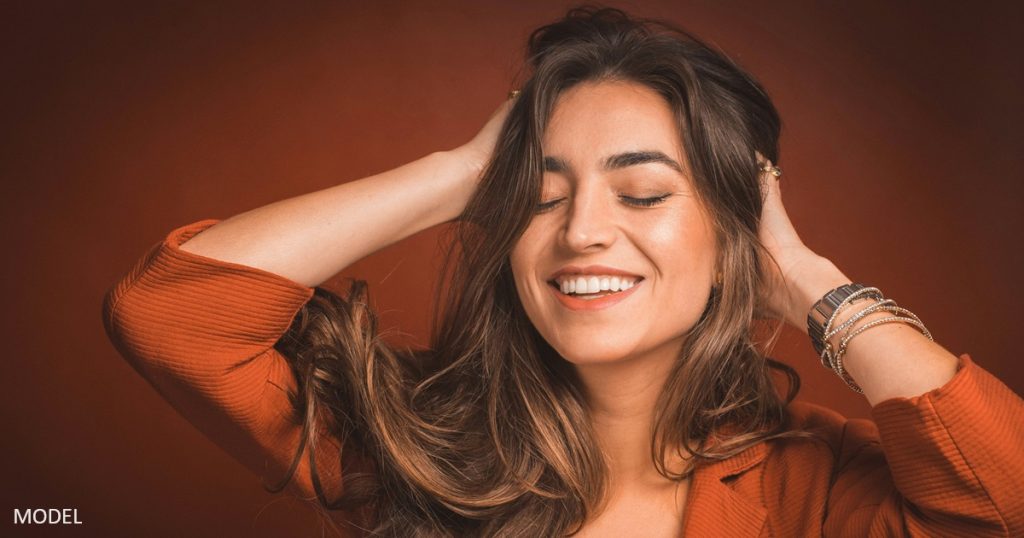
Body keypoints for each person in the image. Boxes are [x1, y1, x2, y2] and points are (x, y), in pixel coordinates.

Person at [102, 6, 1024, 537]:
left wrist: (802, 272)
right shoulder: (415, 450)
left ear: (736, 226)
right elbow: (169, 315)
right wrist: (465, 172)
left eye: (643, 194)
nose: (582, 229)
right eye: (541, 196)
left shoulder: (815, 490)